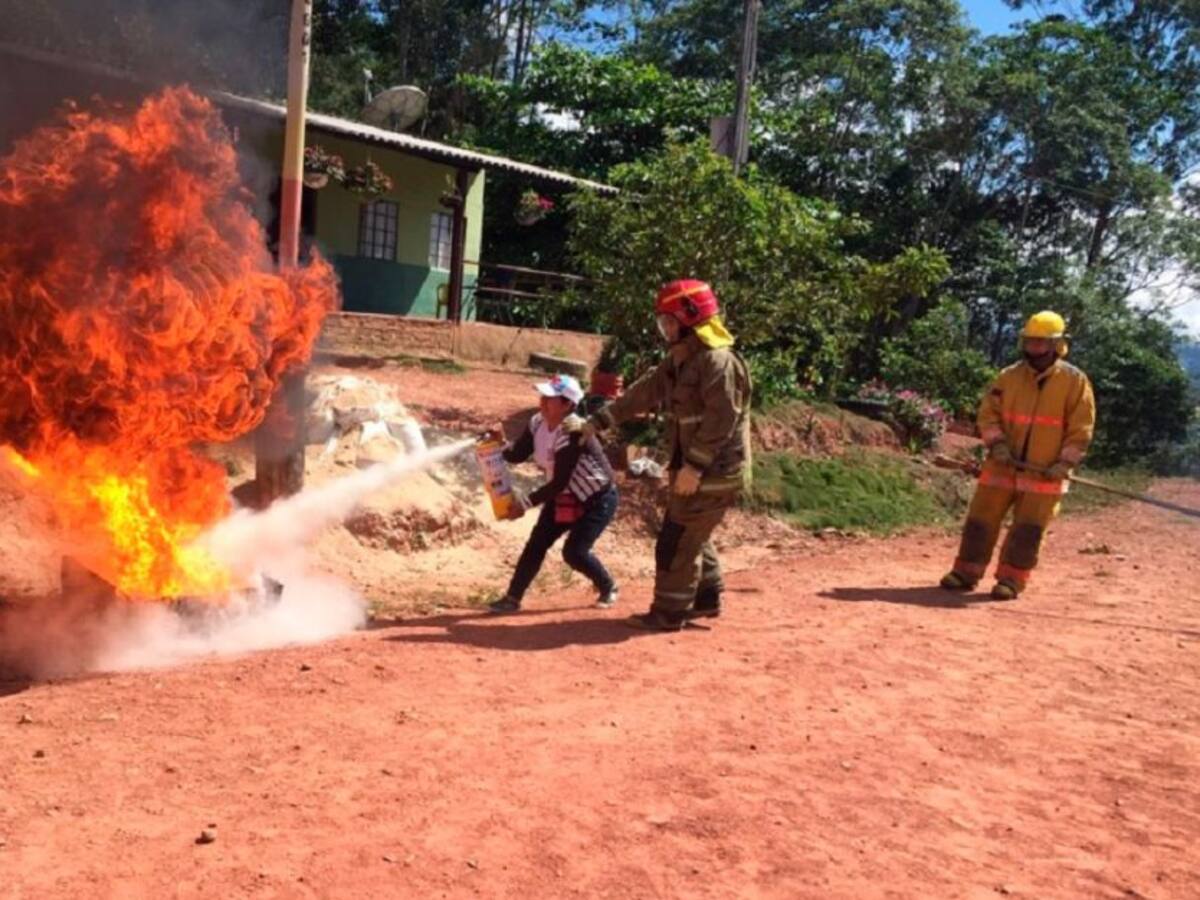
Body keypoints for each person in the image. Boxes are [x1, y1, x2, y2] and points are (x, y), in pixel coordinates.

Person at [584, 279, 752, 632]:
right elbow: (644, 392)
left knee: (676, 541)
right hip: (694, 468)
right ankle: (706, 598)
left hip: (713, 471)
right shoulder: (681, 361)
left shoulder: (716, 362)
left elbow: (722, 419)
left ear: (691, 319)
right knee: (692, 534)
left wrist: (695, 466)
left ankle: (669, 612)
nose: (666, 329)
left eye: (671, 321)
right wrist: (599, 421)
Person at [940, 310, 1097, 600]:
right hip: (1002, 466)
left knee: (1028, 530)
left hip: (1045, 473)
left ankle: (1011, 581)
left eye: (1040, 343)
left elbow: (1081, 428)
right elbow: (988, 414)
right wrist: (996, 443)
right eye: (1030, 342)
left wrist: (1065, 462)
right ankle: (965, 572)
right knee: (980, 521)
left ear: (1056, 345)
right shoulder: (1009, 377)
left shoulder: (1075, 382)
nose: (1033, 349)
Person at [487, 374, 619, 614]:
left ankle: (608, 586)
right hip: (564, 496)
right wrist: (501, 443)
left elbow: (559, 483)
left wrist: (524, 504)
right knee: (536, 544)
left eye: (550, 398)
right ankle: (512, 598)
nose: (542, 401)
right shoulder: (537, 422)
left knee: (574, 552)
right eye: (543, 396)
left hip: (596, 499)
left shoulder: (572, 432)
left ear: (568, 405)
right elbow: (518, 455)